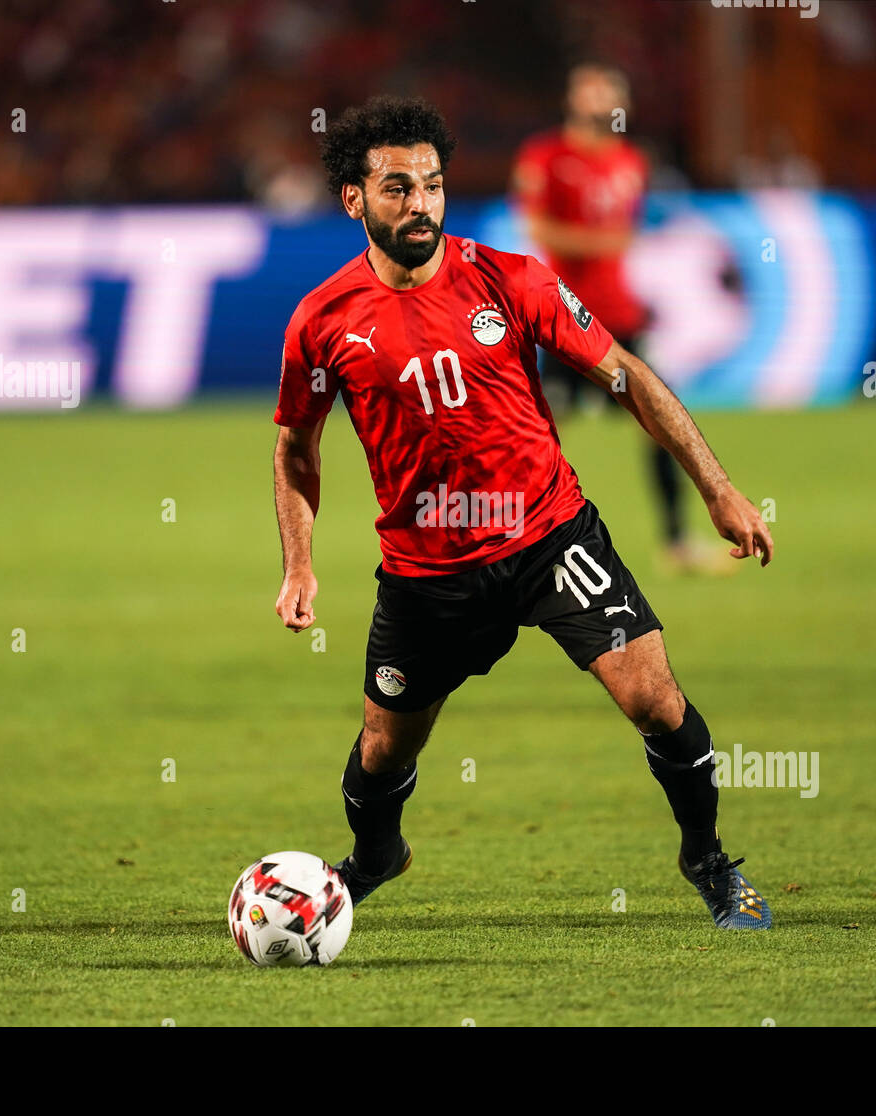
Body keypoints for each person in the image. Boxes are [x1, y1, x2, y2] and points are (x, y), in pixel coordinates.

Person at [272, 96, 775, 930]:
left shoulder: (511, 280)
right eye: (397, 188)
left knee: (655, 699)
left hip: (550, 538)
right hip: (427, 575)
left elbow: (628, 375)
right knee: (383, 749)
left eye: (432, 184)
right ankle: (374, 860)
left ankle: (708, 860)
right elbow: (296, 448)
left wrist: (717, 488)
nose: (421, 203)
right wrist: (298, 562)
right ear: (354, 200)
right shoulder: (323, 321)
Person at [512, 63, 732, 574]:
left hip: (619, 322)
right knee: (532, 439)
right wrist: (605, 242)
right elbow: (539, 229)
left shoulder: (631, 162)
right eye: (595, 95)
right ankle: (509, 547)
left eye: (612, 96)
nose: (605, 106)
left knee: (660, 422)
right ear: (574, 100)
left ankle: (678, 544)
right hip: (560, 319)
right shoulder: (545, 157)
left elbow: (623, 239)